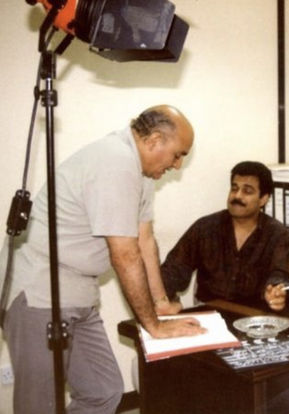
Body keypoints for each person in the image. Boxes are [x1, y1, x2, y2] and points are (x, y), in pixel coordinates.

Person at [2, 105, 206, 414]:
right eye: (178, 155)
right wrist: (153, 325)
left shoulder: (140, 172)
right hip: (39, 290)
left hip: (79, 291)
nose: (177, 165)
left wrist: (160, 302)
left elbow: (144, 240)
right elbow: (125, 255)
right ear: (154, 140)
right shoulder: (115, 162)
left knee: (103, 391)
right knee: (40, 406)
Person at [160, 161, 289, 312]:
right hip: (210, 313)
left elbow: (282, 274)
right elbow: (173, 270)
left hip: (254, 314)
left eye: (247, 191)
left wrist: (276, 291)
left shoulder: (277, 233)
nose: (237, 196)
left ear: (263, 199)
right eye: (234, 188)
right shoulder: (205, 228)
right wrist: (161, 299)